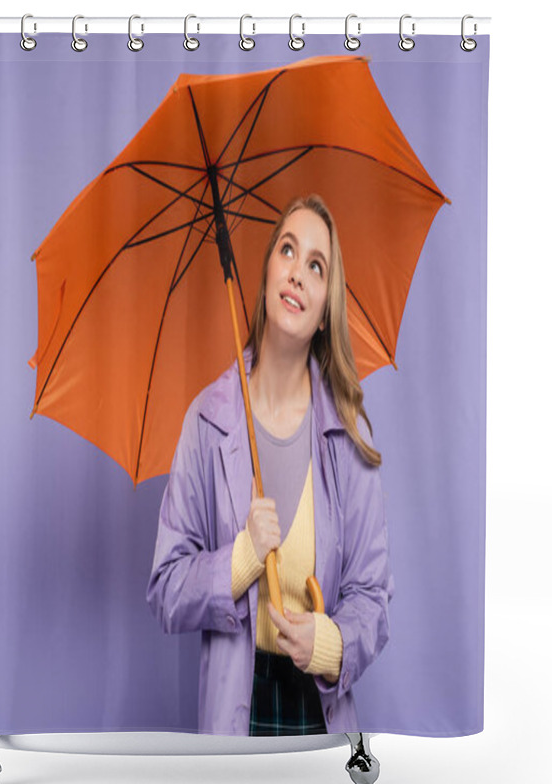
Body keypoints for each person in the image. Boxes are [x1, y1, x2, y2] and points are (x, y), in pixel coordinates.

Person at [146, 194, 394, 736]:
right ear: (264, 276)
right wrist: (241, 559)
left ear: (326, 307)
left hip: (322, 716)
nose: (298, 273)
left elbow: (373, 598)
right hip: (235, 714)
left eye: (316, 265)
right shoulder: (207, 423)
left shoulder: (349, 435)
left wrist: (328, 644)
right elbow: (165, 587)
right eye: (287, 249)